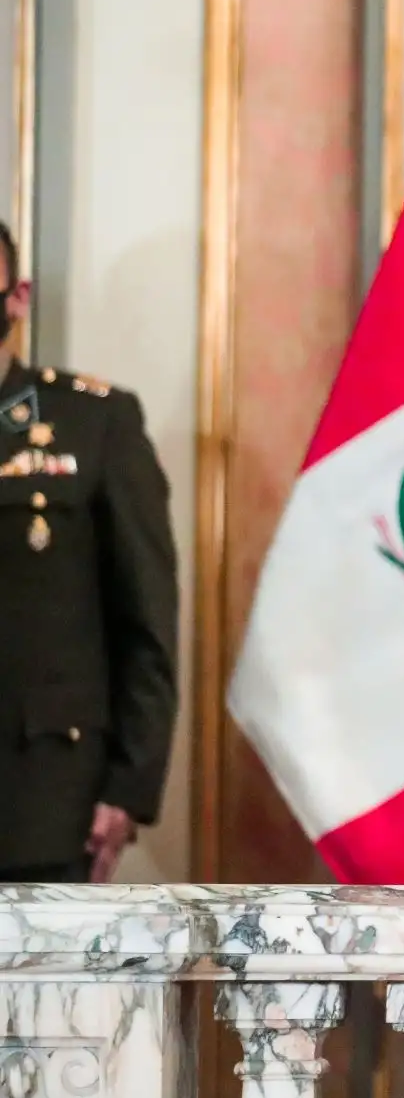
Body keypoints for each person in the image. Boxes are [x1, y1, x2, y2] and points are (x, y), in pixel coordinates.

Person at [0, 221, 178, 885]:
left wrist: (130, 786)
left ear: (18, 296)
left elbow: (147, 621)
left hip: (41, 801)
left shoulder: (92, 422)